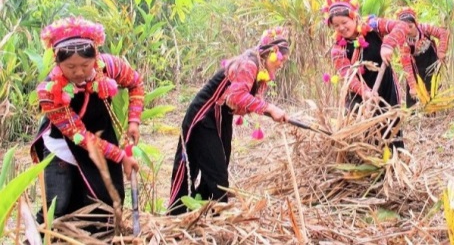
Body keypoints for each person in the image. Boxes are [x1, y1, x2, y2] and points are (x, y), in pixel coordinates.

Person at [30, 17, 143, 229]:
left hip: (101, 134)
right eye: (70, 66)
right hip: (63, 143)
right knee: (58, 204)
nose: (79, 72)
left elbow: (136, 83)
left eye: (85, 64)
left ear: (96, 57)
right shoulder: (49, 91)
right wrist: (121, 157)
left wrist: (134, 120)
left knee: (105, 200)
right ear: (57, 61)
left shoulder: (108, 66)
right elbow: (79, 136)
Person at [168, 26, 290, 215]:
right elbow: (236, 97)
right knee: (213, 174)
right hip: (204, 117)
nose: (283, 64)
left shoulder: (259, 70)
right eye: (283, 59)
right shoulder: (249, 64)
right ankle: (187, 216)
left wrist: (272, 112)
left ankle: (202, 214)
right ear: (272, 54)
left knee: (217, 169)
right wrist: (270, 108)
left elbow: (245, 103)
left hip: (221, 117)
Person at [323, 0, 408, 149]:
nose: (341, 28)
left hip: (385, 86)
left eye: (344, 22)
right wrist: (365, 92)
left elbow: (401, 26)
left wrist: (388, 44)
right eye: (336, 25)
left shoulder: (373, 25)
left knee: (391, 128)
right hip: (359, 95)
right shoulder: (337, 48)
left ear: (354, 18)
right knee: (364, 134)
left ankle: (393, 167)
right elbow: (347, 75)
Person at [396, 7, 450, 107]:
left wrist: (441, 50)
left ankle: (432, 113)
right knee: (413, 94)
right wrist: (412, 86)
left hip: (431, 60)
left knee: (432, 88)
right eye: (404, 28)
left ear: (415, 23)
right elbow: (406, 65)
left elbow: (443, 33)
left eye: (410, 26)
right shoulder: (403, 41)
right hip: (415, 65)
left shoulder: (425, 28)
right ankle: (414, 117)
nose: (408, 30)